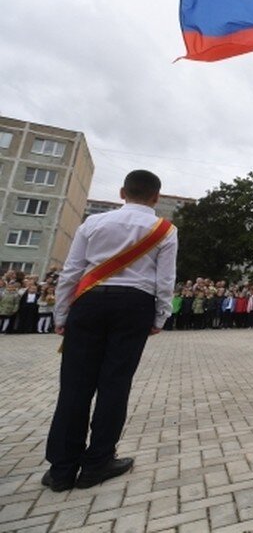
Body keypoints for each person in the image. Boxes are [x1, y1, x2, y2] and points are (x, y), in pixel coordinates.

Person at [43, 170, 177, 492]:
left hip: (88, 303)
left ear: (122, 193)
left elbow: (72, 271)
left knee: (75, 385)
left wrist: (61, 314)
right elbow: (165, 279)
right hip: (135, 305)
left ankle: (61, 470)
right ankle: (98, 462)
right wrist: (160, 317)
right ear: (156, 197)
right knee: (115, 384)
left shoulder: (93, 224)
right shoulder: (165, 229)